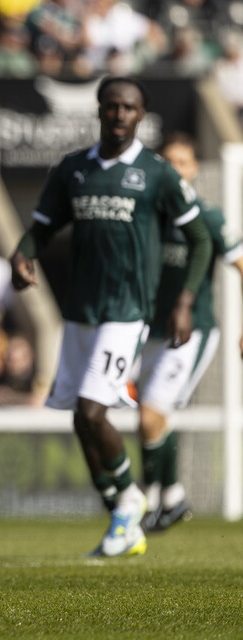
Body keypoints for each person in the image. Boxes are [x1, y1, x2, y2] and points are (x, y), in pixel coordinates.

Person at [9, 77, 214, 557]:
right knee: (80, 421)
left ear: (141, 115)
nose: (120, 114)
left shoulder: (156, 173)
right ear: (99, 110)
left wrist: (183, 301)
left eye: (129, 107)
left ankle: (131, 500)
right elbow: (41, 226)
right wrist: (21, 255)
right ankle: (121, 509)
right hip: (80, 309)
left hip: (127, 312)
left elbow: (202, 238)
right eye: (112, 106)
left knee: (91, 409)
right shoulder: (74, 169)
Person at [135, 133, 243, 532]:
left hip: (192, 331)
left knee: (152, 414)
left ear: (195, 168)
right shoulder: (149, 216)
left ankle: (145, 504)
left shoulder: (209, 217)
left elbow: (242, 265)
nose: (176, 169)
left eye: (183, 161)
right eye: (169, 162)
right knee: (152, 418)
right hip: (152, 331)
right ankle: (174, 498)